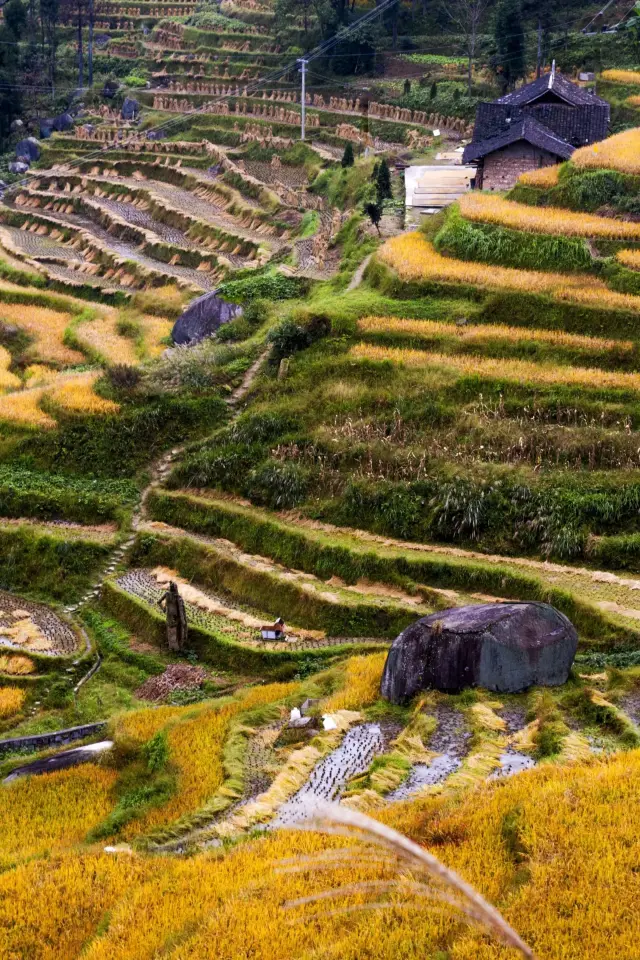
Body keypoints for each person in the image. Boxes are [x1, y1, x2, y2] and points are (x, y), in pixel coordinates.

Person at [158, 581, 188, 651]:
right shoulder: (177, 597)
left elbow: (159, 602)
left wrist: (164, 609)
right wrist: (183, 622)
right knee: (175, 633)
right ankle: (176, 648)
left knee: (170, 632)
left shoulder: (167, 594)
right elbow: (181, 611)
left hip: (169, 617)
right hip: (175, 618)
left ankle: (171, 647)